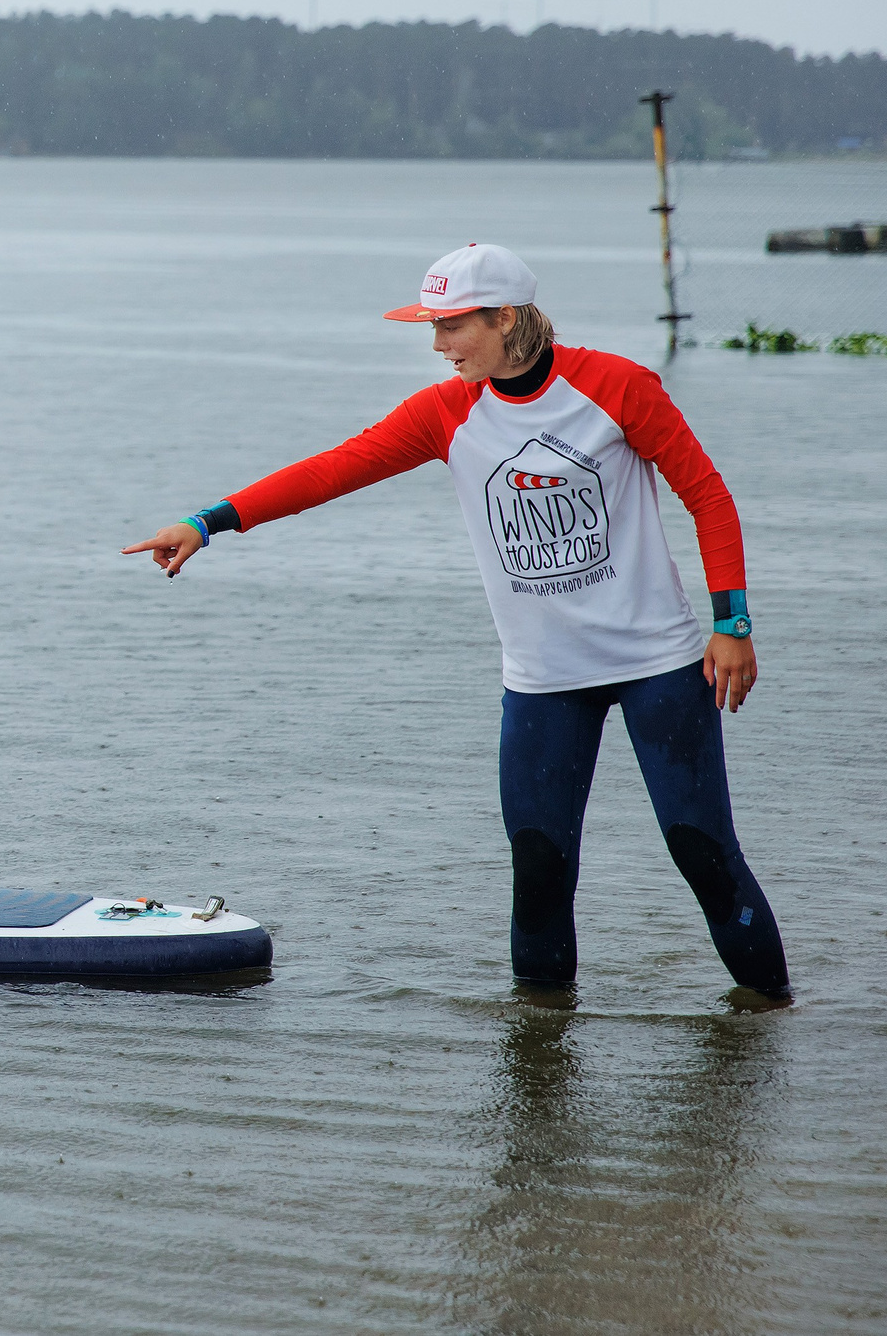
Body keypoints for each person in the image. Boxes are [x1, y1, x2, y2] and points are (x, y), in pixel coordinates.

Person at [122, 244, 790, 999]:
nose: (437, 346)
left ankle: (774, 1027)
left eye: (449, 326)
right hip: (544, 678)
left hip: (659, 664)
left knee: (703, 855)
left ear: (504, 316)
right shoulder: (447, 412)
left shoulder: (616, 385)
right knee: (538, 868)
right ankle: (537, 1071)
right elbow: (336, 468)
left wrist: (731, 620)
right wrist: (208, 522)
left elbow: (708, 495)